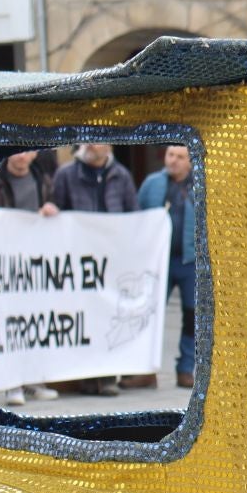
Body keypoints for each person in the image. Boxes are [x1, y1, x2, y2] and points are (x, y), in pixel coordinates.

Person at [50, 144, 137, 396]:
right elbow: (57, 206)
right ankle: (87, 377)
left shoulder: (121, 175)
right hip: (80, 260)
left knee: (108, 316)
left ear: (107, 146)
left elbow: (133, 214)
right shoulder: (66, 174)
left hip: (111, 260)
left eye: (96, 140)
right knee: (85, 318)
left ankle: (107, 376)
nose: (90, 144)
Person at [0, 150, 62, 407]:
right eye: (16, 151)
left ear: (35, 154)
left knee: (32, 321)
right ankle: (11, 385)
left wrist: (51, 210)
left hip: (33, 265)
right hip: (6, 265)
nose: (21, 156)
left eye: (26, 151)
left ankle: (33, 382)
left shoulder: (44, 181)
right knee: (9, 321)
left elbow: (55, 208)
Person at [136, 143, 199, 390]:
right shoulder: (152, 183)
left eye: (180, 157)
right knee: (148, 314)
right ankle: (144, 369)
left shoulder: (200, 184)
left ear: (190, 161)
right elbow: (138, 215)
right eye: (171, 155)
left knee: (191, 315)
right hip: (157, 262)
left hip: (189, 260)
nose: (173, 161)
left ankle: (185, 368)